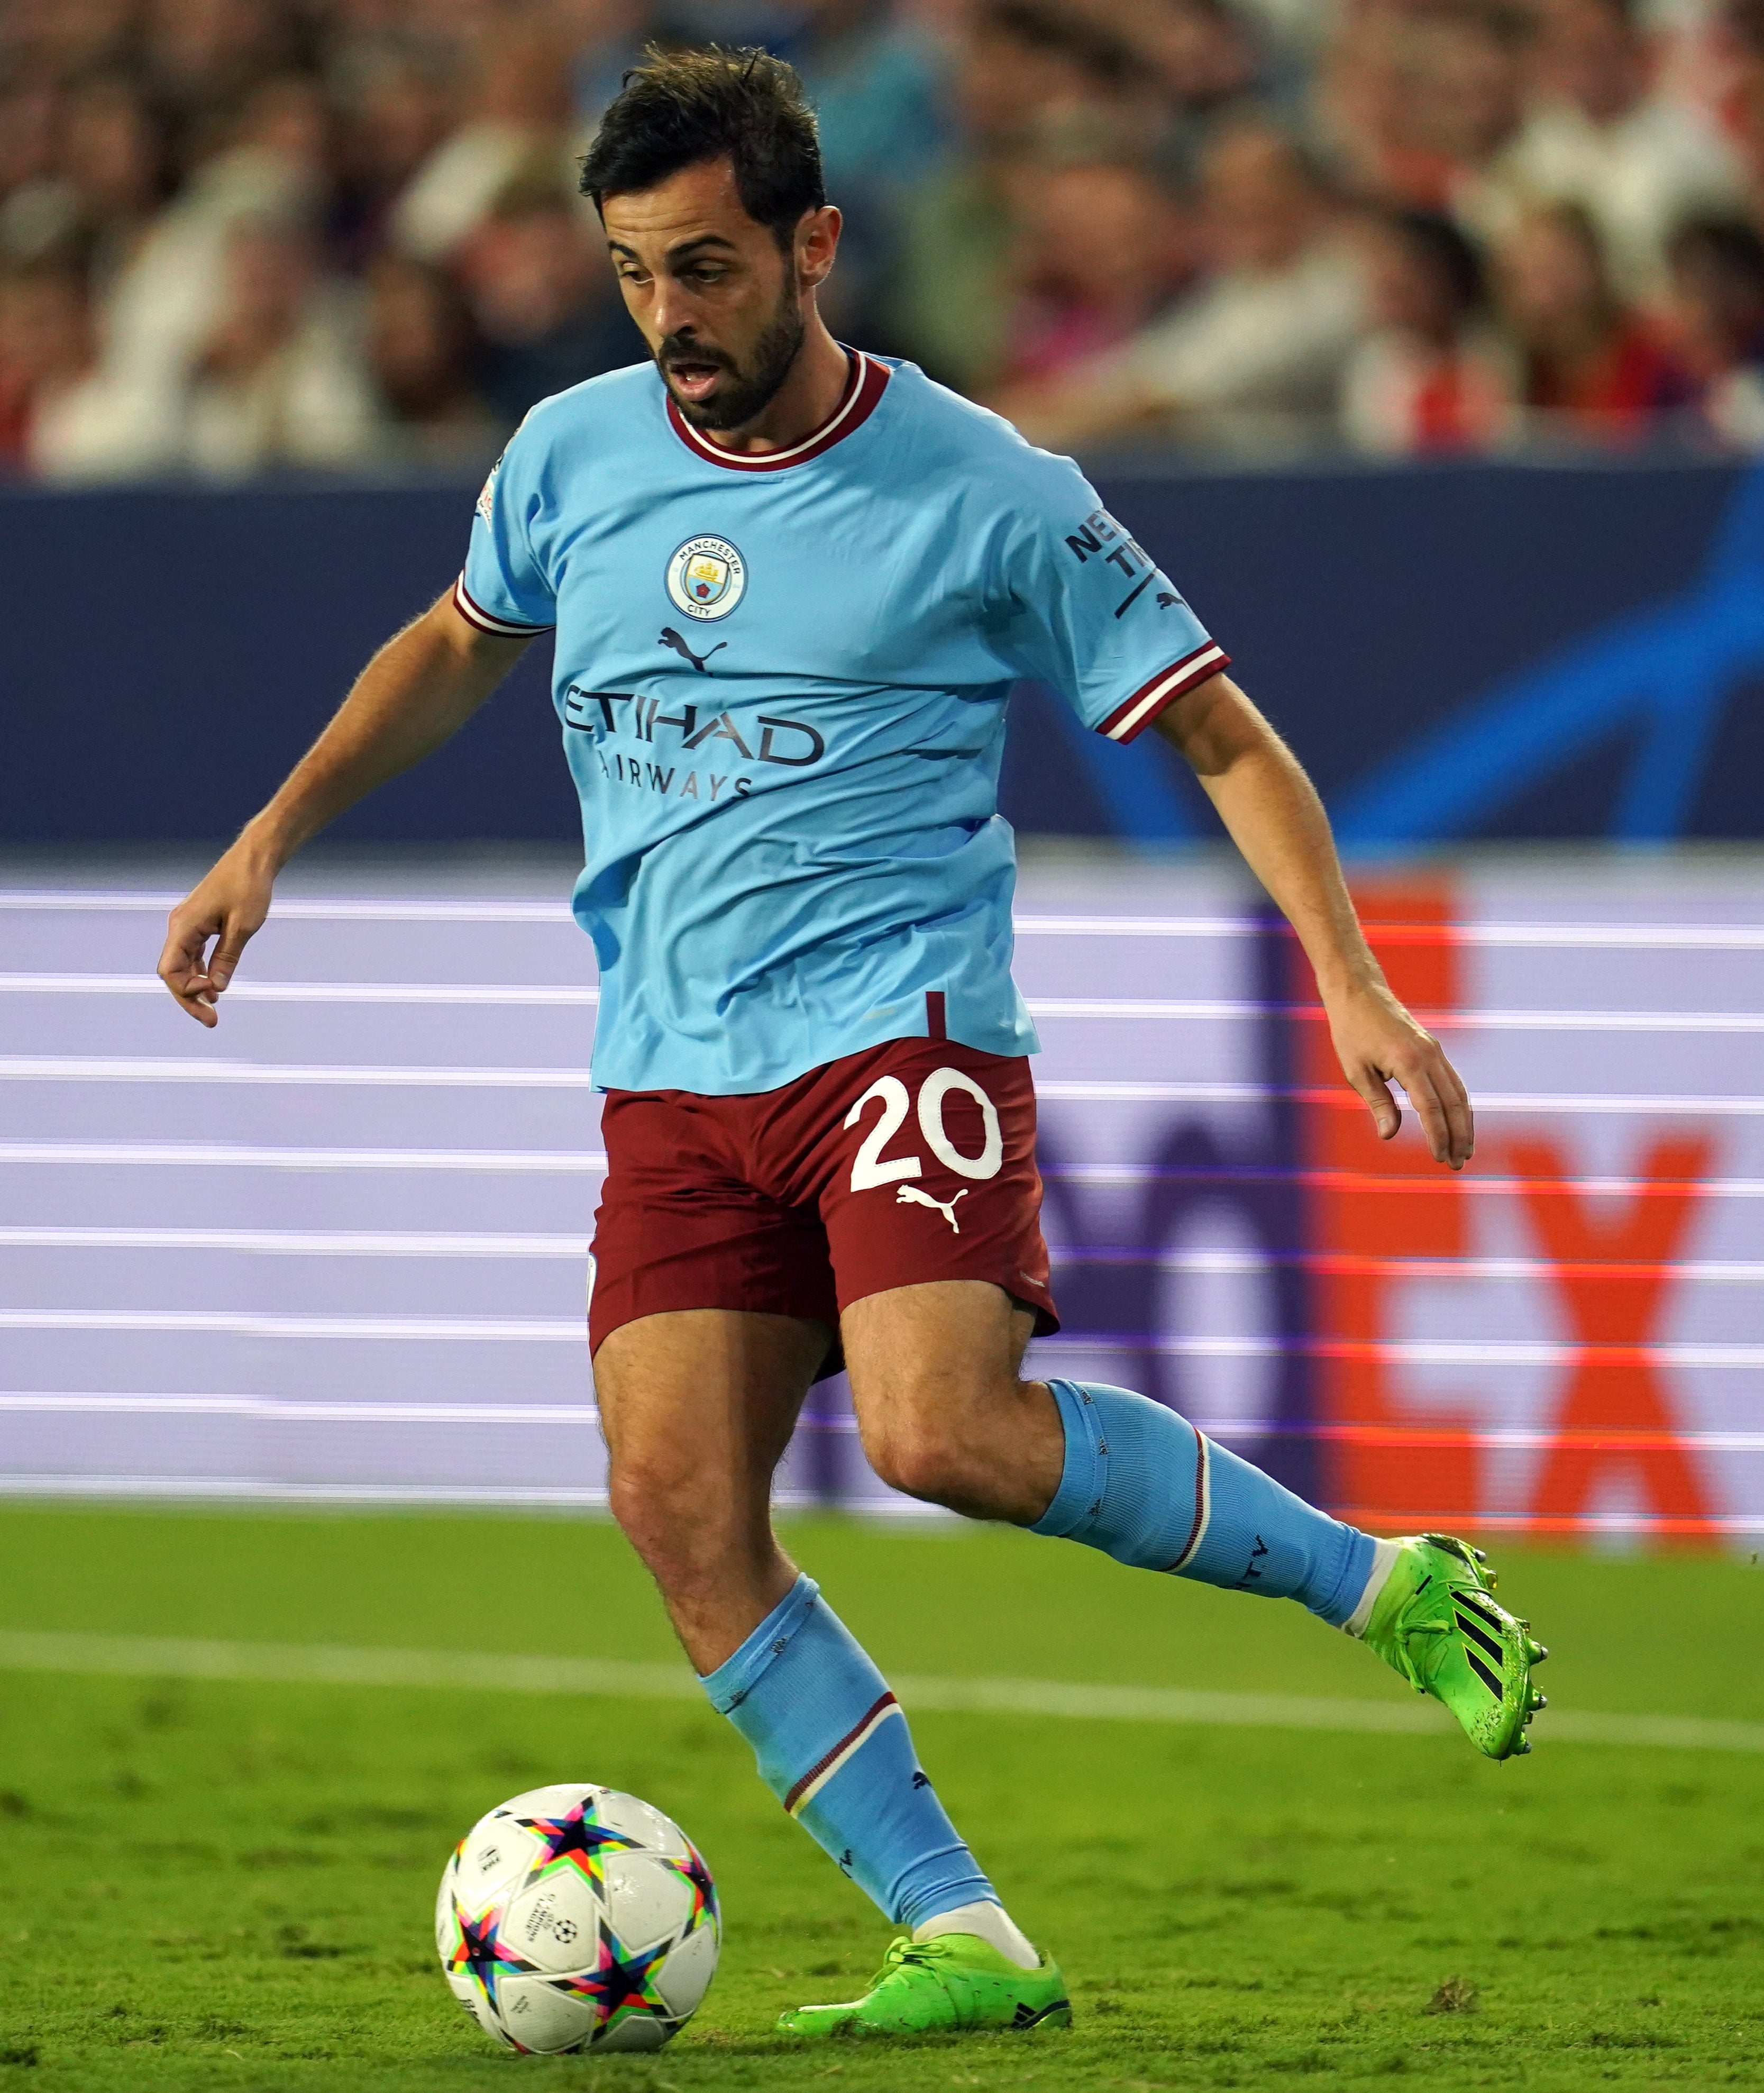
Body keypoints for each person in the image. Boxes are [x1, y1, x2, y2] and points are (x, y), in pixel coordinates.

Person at [157, 46, 1549, 2048]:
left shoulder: (990, 491)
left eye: (709, 270)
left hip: (897, 1034)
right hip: (672, 1070)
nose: (672, 321)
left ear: (816, 243)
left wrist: (1350, 979)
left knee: (940, 1432)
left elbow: (1223, 731)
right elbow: (460, 638)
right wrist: (275, 830)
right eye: (636, 274)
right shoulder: (571, 452)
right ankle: (966, 1932)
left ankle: (1379, 1583)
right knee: (679, 1510)